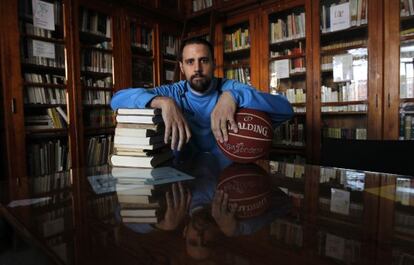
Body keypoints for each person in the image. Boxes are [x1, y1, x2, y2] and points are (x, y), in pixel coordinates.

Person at [110, 37, 293, 166]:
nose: (197, 68)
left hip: (229, 179)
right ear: (182, 67)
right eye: (190, 62)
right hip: (183, 179)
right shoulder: (173, 92)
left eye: (203, 60)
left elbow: (286, 109)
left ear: (214, 63)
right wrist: (162, 102)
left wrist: (233, 96)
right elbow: (117, 99)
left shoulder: (231, 88)